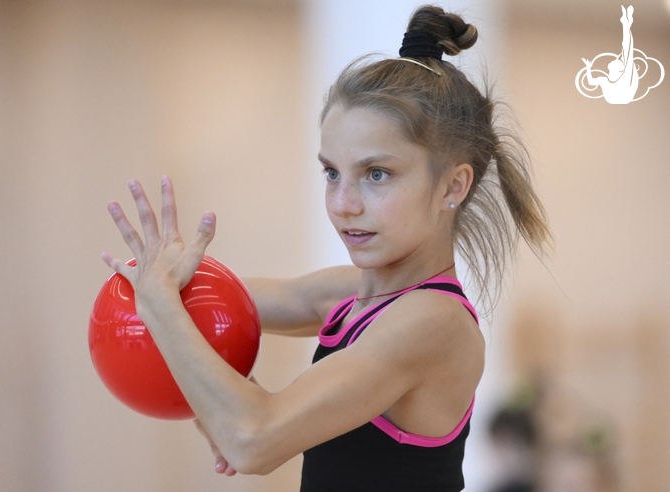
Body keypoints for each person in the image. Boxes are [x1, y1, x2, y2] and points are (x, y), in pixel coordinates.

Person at [101, 5, 551, 491]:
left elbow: (253, 437)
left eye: (376, 174)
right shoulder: (350, 295)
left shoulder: (435, 323)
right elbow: (202, 313)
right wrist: (161, 279)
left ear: (452, 186)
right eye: (332, 172)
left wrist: (162, 306)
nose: (343, 204)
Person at [582, 5, 638, 104]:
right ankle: (626, 23)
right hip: (619, 98)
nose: (614, 59)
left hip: (623, 96)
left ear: (619, 69)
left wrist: (626, 25)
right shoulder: (605, 80)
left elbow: (627, 49)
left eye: (617, 61)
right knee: (627, 51)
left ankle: (626, 23)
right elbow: (591, 82)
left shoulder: (624, 77)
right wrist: (588, 67)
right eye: (617, 60)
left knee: (627, 50)